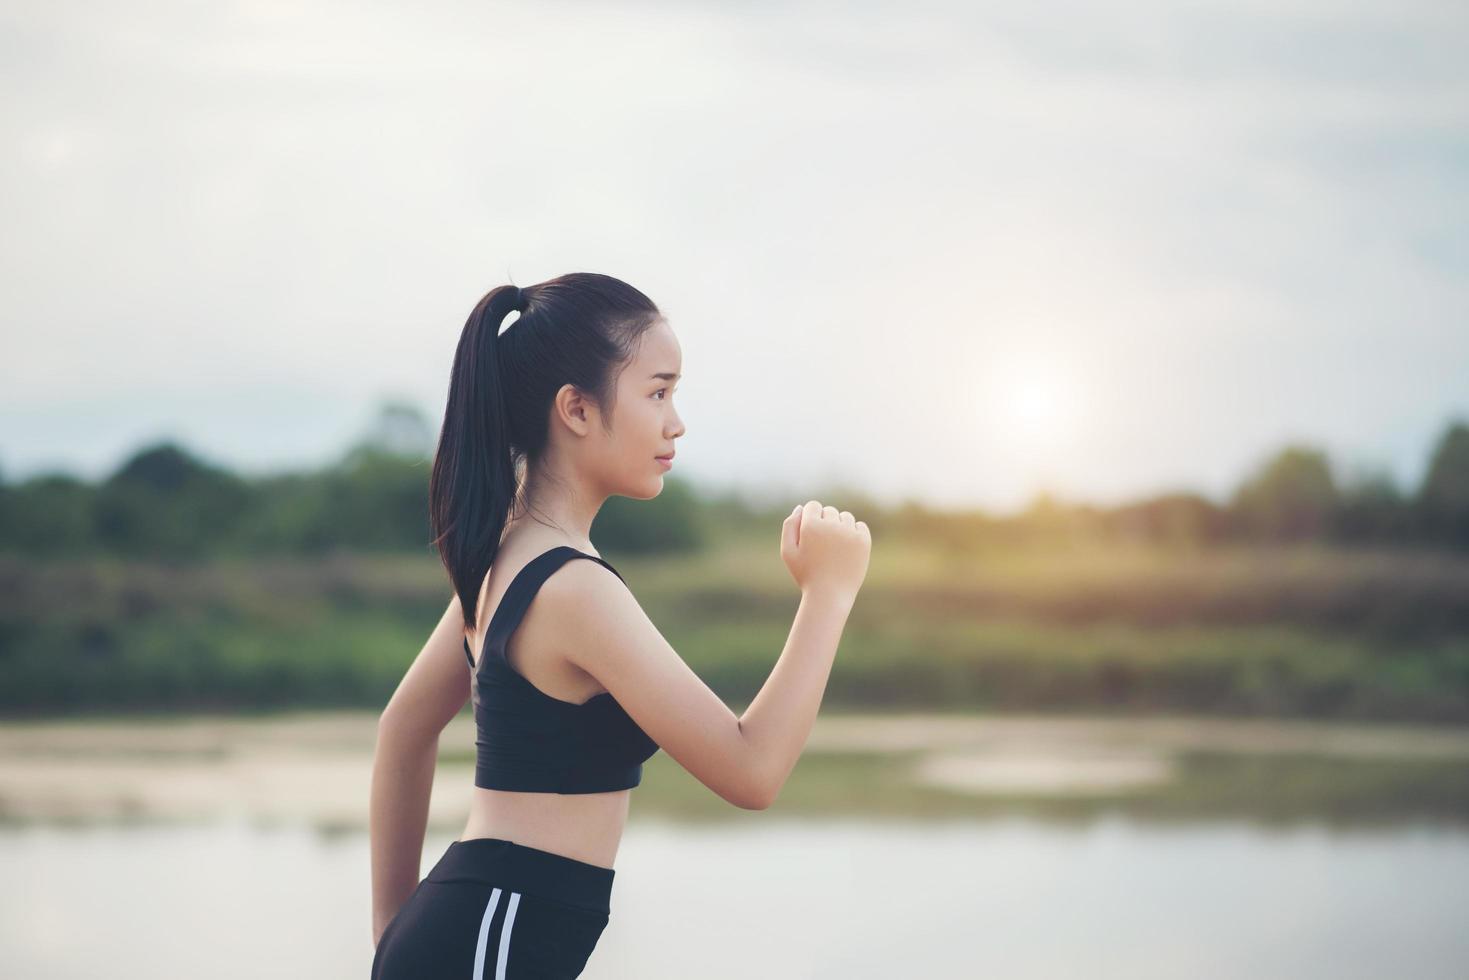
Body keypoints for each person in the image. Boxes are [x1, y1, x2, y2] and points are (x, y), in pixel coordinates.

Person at [368, 272, 871, 978]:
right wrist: (829, 593)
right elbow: (752, 770)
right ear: (575, 408)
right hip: (489, 939)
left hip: (473, 934)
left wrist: (394, 935)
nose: (676, 422)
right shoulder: (572, 588)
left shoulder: (506, 555)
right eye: (658, 392)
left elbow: (402, 729)